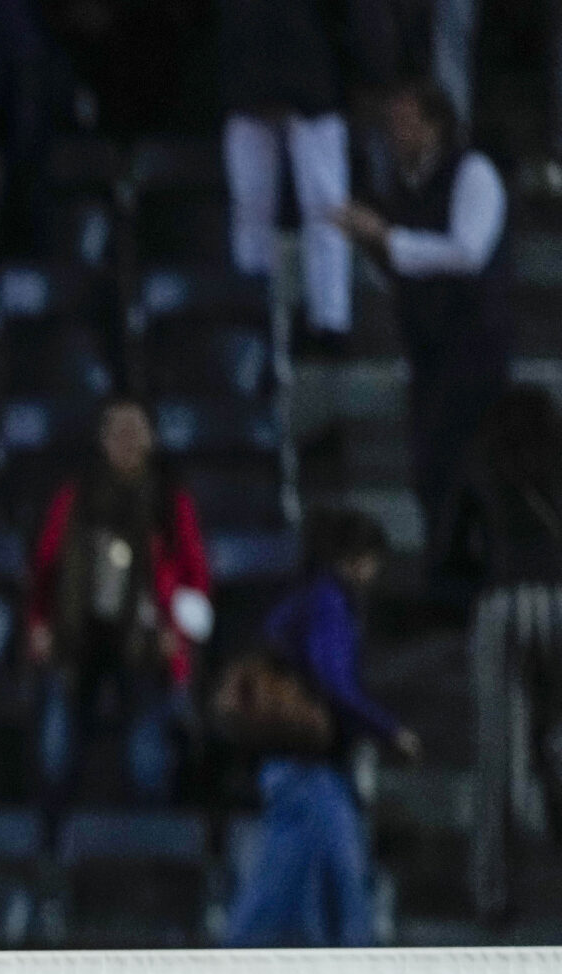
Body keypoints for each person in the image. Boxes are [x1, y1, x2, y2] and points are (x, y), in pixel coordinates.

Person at [336, 80, 512, 566]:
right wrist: (371, 241)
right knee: (430, 467)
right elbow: (401, 262)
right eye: (392, 122)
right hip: (429, 349)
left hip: (476, 345)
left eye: (407, 120)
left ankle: (477, 567)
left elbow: (467, 251)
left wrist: (387, 238)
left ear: (436, 124)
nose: (395, 131)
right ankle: (445, 568)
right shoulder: (403, 184)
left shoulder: (472, 172)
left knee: (466, 464)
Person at [225, 509, 417, 947]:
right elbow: (335, 683)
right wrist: (389, 731)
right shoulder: (328, 603)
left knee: (291, 898)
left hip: (301, 771)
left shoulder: (308, 599)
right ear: (355, 558)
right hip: (307, 772)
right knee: (337, 896)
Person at [27, 398, 214, 806]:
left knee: (146, 757)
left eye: (136, 431)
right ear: (103, 441)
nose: (127, 441)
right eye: (118, 432)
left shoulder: (169, 500)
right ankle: (53, 834)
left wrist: (176, 634)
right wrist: (39, 624)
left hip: (147, 643)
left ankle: (146, 844)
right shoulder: (74, 498)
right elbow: (47, 569)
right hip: (77, 636)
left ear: (150, 439)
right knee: (54, 746)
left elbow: (194, 576)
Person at [450, 388, 562, 926]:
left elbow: (452, 550)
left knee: (498, 755)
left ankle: (492, 894)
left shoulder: (482, 460)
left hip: (502, 601)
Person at [221, 0, 357, 348]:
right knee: (250, 205)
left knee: (327, 206)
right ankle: (255, 315)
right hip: (247, 81)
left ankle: (330, 320)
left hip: (312, 80)